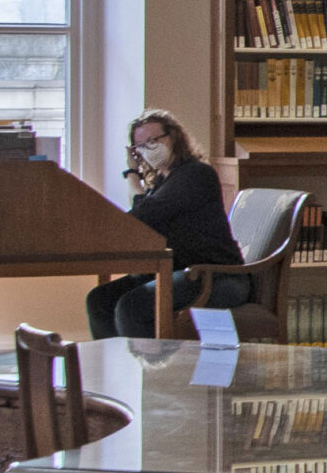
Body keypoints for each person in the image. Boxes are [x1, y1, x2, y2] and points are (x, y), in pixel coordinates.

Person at [85, 109, 249, 340]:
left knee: (131, 306)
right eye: (140, 145)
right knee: (100, 300)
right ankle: (115, 369)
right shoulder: (162, 182)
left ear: (173, 137)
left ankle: (149, 373)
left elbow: (143, 215)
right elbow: (143, 217)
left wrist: (132, 173)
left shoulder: (195, 174)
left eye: (153, 140)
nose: (147, 148)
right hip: (178, 273)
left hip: (216, 277)